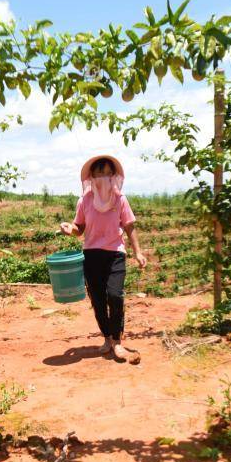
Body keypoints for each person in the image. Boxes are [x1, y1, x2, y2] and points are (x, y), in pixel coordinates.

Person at [59, 155, 147, 363]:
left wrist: (138, 251)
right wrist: (69, 229)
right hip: (91, 255)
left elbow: (129, 225)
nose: (104, 178)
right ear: (92, 177)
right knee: (98, 300)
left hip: (115, 253)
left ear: (114, 177)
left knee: (115, 296)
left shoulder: (120, 199)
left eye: (109, 173)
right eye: (100, 173)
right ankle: (107, 338)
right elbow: (79, 228)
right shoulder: (85, 200)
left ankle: (118, 341)